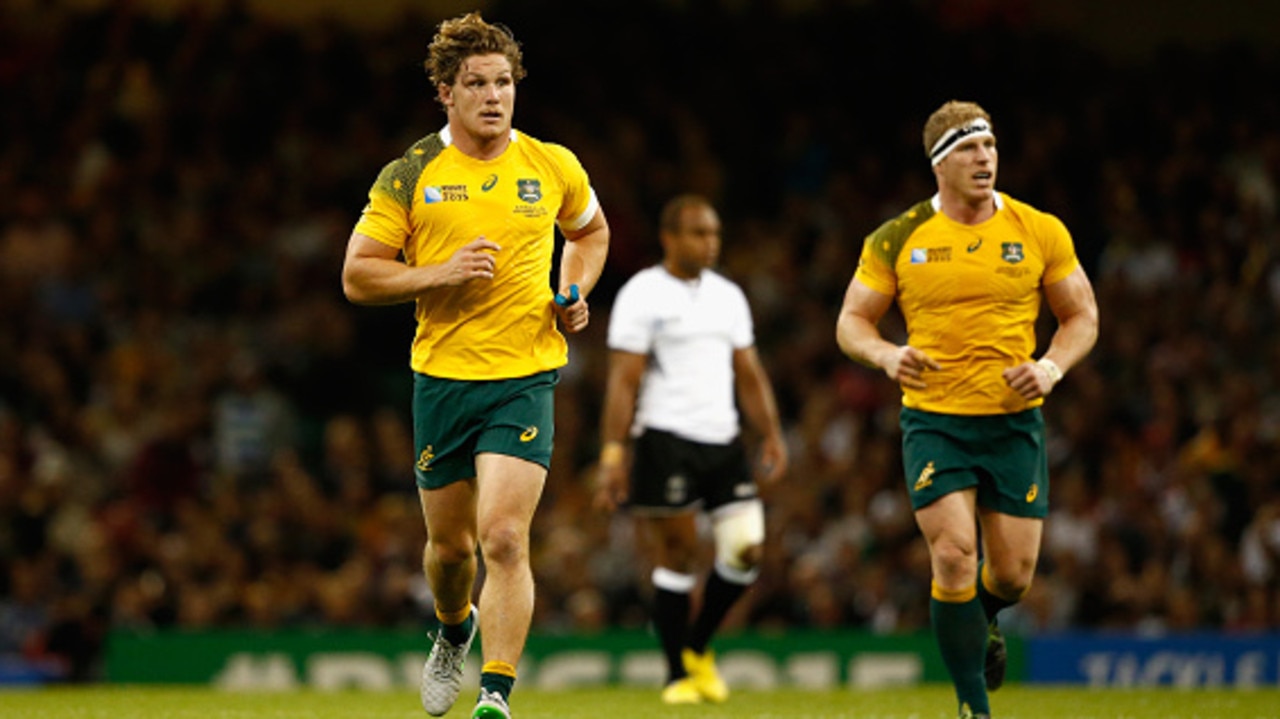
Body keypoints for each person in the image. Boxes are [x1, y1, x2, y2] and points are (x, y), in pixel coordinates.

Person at [341, 12, 609, 719]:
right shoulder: (413, 173)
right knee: (451, 549)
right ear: (445, 93)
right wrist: (438, 272)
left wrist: (574, 289)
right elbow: (359, 275)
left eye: (504, 83)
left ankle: (495, 693)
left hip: (523, 378)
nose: (494, 96)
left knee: (502, 536)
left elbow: (590, 232)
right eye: (476, 84)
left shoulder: (552, 164)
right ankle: (452, 628)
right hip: (442, 380)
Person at [835, 101, 1098, 719]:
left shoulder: (1039, 230)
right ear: (939, 164)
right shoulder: (898, 236)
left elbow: (1081, 316)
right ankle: (972, 707)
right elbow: (851, 320)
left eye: (990, 146)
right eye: (968, 149)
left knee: (1012, 576)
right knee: (953, 554)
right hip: (935, 421)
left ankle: (983, 618)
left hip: (1012, 421)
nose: (985, 158)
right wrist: (883, 355)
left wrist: (1051, 368)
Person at [594, 194, 788, 705]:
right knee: (677, 554)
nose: (710, 243)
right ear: (670, 238)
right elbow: (622, 381)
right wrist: (614, 454)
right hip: (665, 437)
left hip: (723, 439)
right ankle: (676, 674)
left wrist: (769, 432)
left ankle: (697, 646)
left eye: (715, 233)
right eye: (699, 233)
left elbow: (748, 373)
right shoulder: (642, 294)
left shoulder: (728, 296)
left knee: (747, 549)